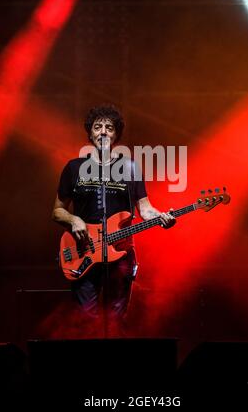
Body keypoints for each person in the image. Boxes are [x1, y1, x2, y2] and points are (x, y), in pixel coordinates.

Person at [52, 104, 175, 337]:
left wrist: (161, 217)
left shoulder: (129, 168)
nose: (103, 132)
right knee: (86, 320)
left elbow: (145, 210)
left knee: (117, 320)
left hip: (121, 251)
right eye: (98, 127)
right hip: (84, 252)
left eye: (109, 127)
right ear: (90, 133)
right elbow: (57, 211)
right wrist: (74, 219)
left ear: (116, 134)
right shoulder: (74, 168)